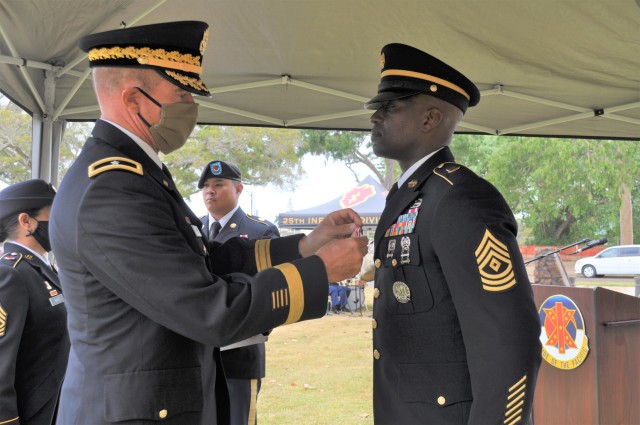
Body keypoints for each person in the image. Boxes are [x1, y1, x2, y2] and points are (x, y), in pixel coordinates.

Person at [49, 21, 368, 424]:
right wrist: (319, 271)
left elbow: (205, 261)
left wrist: (308, 245)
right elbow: (208, 310)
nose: (191, 107)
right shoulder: (113, 190)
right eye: (181, 94)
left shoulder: (138, 174)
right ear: (133, 99)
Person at [365, 43, 541, 424]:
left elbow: (508, 339)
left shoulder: (460, 199)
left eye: (390, 107)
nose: (376, 116)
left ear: (430, 119)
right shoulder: (410, 197)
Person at [198, 159, 279, 425]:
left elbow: (271, 291)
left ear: (239, 189)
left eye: (219, 184)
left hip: (239, 356)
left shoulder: (260, 231)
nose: (210, 191)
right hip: (197, 356)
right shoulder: (192, 230)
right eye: (206, 186)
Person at [0, 179, 70, 425]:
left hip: (56, 409)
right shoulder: (11, 273)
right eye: (54, 215)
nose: (60, 222)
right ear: (26, 221)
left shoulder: (42, 268)